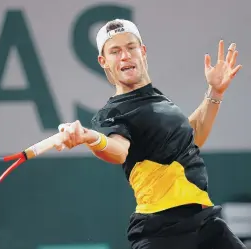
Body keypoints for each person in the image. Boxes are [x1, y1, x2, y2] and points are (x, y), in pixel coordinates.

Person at [55, 19, 246, 249]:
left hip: (205, 225)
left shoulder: (157, 99)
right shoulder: (112, 113)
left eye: (130, 47)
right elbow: (118, 151)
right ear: (103, 61)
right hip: (162, 233)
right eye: (115, 51)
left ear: (142, 51)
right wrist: (89, 137)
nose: (125, 55)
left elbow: (191, 138)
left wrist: (215, 92)